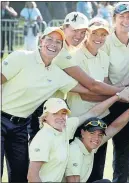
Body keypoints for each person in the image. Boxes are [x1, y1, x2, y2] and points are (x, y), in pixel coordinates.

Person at [1, 26, 100, 182]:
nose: (53, 44)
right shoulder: (21, 57)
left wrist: (120, 94)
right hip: (1, 118)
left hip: (20, 127)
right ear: (41, 41)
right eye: (49, 39)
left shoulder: (57, 74)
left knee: (20, 176)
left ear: (62, 47)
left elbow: (88, 90)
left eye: (58, 42)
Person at [28, 12, 126, 142]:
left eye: (82, 32)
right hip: (41, 108)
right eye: (74, 30)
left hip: (53, 107)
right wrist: (123, 92)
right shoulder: (62, 53)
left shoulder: (69, 51)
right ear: (64, 29)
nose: (79, 36)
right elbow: (91, 86)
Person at [89, 2, 129, 182]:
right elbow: (103, 82)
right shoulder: (105, 43)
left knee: (124, 157)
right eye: (122, 17)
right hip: (105, 104)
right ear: (114, 19)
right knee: (96, 152)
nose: (126, 21)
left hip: (128, 106)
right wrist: (124, 86)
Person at [65, 86, 129, 183]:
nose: (96, 138)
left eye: (100, 135)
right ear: (82, 133)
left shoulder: (89, 145)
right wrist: (118, 95)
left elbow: (115, 127)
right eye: (92, 133)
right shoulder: (75, 151)